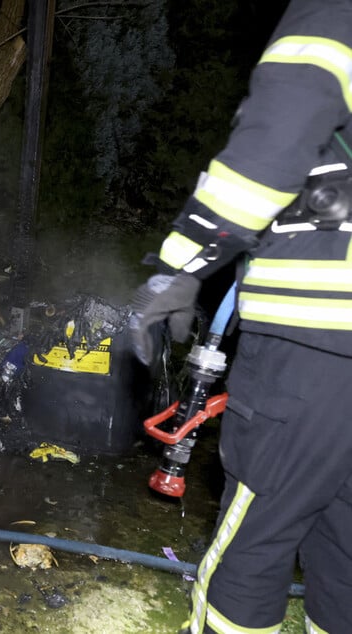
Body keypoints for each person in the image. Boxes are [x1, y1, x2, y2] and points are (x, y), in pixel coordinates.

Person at [128, 1, 352, 632]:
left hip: (316, 340)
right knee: (345, 546)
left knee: (257, 540)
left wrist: (181, 265)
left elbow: (277, 138)